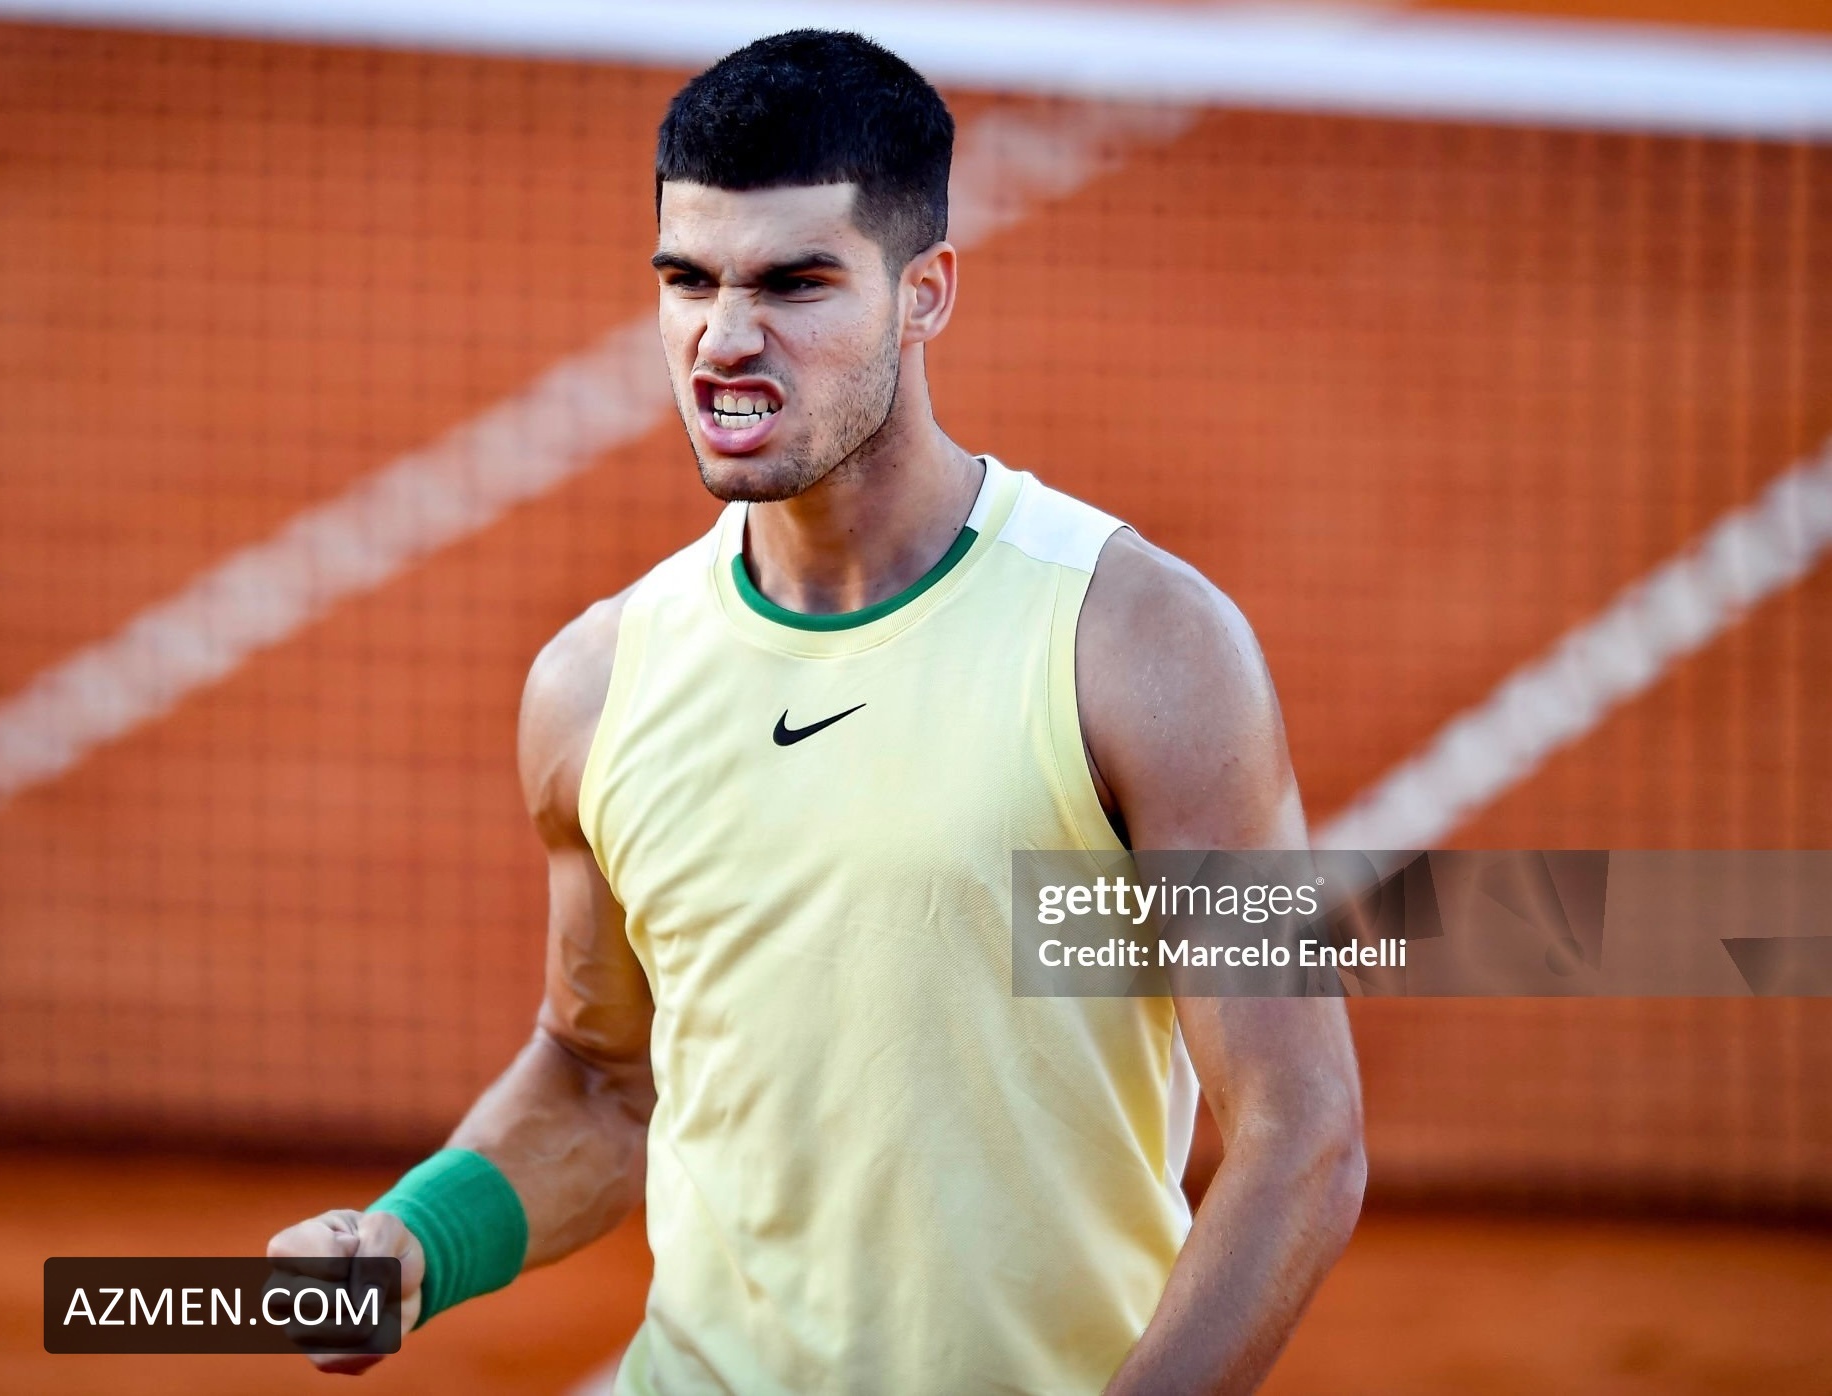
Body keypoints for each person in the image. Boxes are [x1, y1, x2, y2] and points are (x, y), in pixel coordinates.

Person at [269, 29, 1365, 1395]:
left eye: (796, 283)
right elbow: (603, 1080)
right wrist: (414, 1241)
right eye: (688, 279)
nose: (725, 338)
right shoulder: (596, 686)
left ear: (924, 294)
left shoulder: (1141, 646)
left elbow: (1299, 1130)